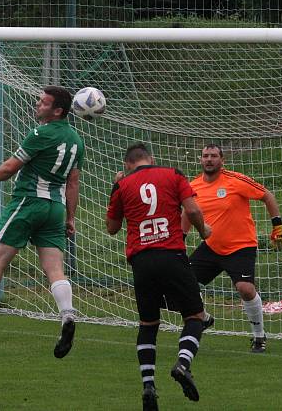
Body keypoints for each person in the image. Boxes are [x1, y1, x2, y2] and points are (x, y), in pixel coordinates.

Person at [0, 86, 83, 359]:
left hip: (28, 203)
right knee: (55, 269)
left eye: (44, 103)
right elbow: (73, 182)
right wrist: (70, 217)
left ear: (58, 110)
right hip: (55, 208)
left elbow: (12, 166)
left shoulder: (42, 133)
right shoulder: (76, 140)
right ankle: (67, 315)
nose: (38, 105)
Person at [106, 143, 212, 410]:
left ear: (127, 164)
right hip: (172, 255)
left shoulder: (123, 185)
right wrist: (203, 231)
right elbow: (192, 210)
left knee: (148, 324)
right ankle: (182, 365)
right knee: (195, 317)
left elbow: (112, 228)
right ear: (150, 159)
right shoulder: (173, 174)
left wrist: (115, 187)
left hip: (141, 260)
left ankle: (148, 385)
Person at [183, 143, 282, 353]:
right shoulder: (194, 186)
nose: (209, 159)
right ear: (200, 160)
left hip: (241, 246)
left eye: (213, 156)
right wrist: (180, 239)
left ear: (222, 160)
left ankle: (259, 337)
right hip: (211, 246)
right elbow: (187, 213)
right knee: (183, 281)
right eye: (205, 156)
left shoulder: (235, 180)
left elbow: (267, 195)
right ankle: (203, 318)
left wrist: (278, 226)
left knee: (245, 289)